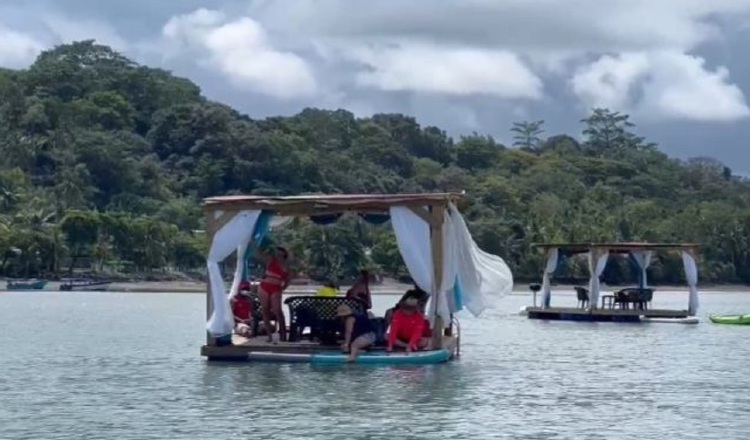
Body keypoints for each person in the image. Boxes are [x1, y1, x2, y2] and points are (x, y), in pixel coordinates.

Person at [257, 246, 292, 342]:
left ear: (284, 255)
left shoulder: (287, 265)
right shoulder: (270, 260)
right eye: (277, 254)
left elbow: (288, 280)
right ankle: (269, 337)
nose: (278, 256)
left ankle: (283, 336)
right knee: (265, 310)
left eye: (280, 254)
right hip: (264, 286)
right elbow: (259, 254)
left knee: (278, 311)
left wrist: (282, 288)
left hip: (276, 288)